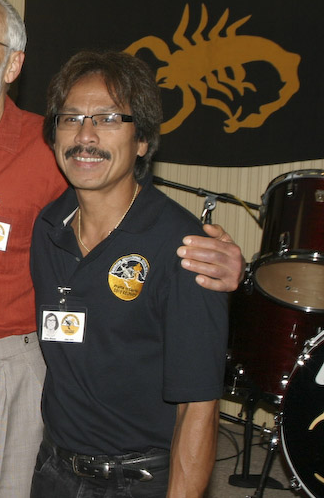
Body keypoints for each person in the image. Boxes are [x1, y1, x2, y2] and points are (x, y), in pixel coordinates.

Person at [0, 0, 244, 497]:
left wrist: (223, 258)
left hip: (4, 376)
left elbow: (130, 203)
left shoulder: (49, 149)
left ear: (12, 64)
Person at [30, 50, 227, 496]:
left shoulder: (185, 248)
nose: (85, 136)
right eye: (71, 118)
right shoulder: (47, 230)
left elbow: (198, 408)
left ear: (142, 141)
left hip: (138, 482)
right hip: (54, 472)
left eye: (107, 118)